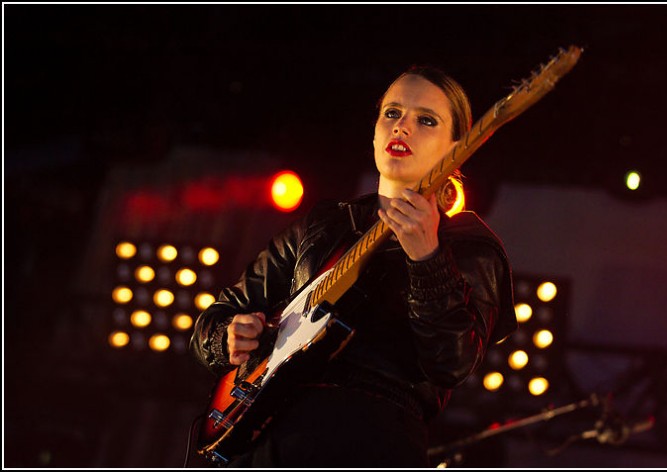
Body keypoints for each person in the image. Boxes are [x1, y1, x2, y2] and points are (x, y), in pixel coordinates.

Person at [189, 65, 517, 467]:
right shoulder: (324, 223)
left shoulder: (471, 246)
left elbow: (452, 362)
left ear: (457, 147)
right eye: (392, 113)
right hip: (270, 437)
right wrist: (228, 337)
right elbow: (215, 319)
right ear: (375, 131)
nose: (402, 127)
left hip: (370, 440)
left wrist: (428, 259)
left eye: (426, 120)